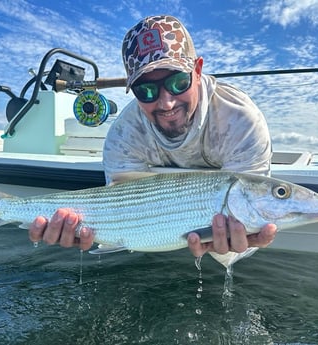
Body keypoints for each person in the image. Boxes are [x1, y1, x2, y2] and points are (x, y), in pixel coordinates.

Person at [29, 15, 277, 258]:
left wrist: (233, 249)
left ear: (198, 71)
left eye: (179, 82)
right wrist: (84, 229)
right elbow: (121, 209)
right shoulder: (124, 134)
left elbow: (249, 220)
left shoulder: (240, 120)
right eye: (146, 90)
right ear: (133, 91)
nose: (166, 103)